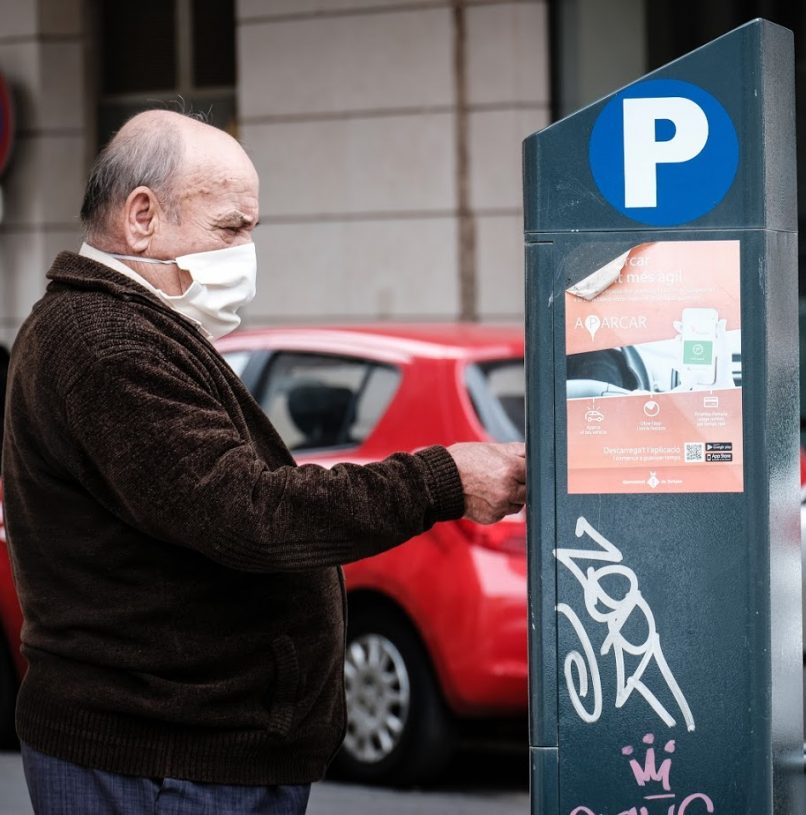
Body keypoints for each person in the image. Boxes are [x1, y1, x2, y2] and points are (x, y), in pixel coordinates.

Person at [0, 110, 526, 814]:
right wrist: (444, 479)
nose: (246, 251)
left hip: (179, 755)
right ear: (142, 216)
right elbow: (250, 512)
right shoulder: (105, 343)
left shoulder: (122, 329)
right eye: (230, 228)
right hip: (163, 761)